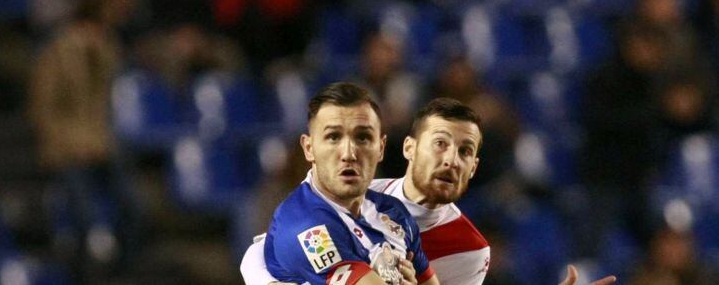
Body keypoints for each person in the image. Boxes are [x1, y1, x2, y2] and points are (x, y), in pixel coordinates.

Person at [242, 96, 617, 285]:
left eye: (465, 152)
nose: (452, 159)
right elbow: (258, 259)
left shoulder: (469, 250)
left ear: (474, 168)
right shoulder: (358, 194)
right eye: (440, 144)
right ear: (408, 148)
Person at [254, 82, 440, 284]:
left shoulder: (394, 212)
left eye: (363, 137)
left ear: (381, 148)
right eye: (333, 137)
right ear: (309, 148)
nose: (349, 153)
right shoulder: (304, 227)